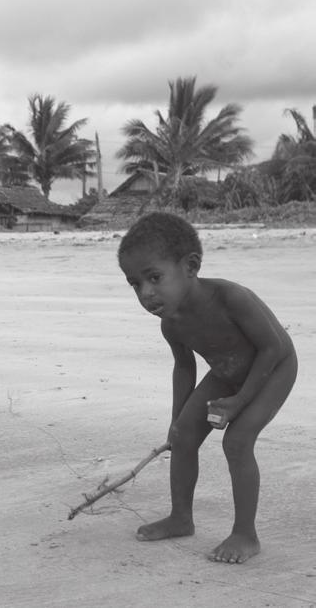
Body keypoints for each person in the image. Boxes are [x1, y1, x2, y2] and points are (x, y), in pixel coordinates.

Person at [117, 212, 297, 564]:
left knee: (237, 440)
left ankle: (246, 534)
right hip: (227, 372)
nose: (145, 293)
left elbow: (272, 348)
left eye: (154, 277)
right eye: (135, 284)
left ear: (191, 266)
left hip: (274, 368)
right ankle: (180, 518)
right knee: (184, 434)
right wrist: (176, 420)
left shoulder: (231, 298)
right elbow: (185, 367)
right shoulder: (171, 324)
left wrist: (239, 402)